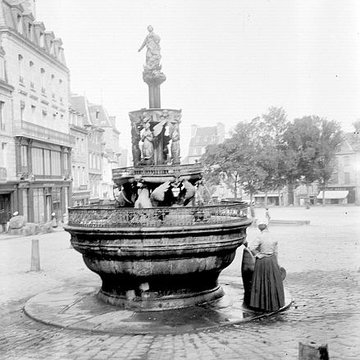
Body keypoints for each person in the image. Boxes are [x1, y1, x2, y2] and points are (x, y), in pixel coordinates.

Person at [248, 218, 285, 312]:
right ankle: (274, 304)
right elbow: (276, 252)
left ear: (260, 228)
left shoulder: (259, 237)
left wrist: (258, 254)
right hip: (272, 260)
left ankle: (261, 305)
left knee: (261, 281)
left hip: (262, 261)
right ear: (267, 226)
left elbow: (251, 248)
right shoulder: (273, 236)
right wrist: (277, 264)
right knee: (272, 282)